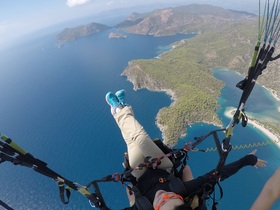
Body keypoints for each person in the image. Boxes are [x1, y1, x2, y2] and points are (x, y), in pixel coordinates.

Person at [105, 90, 267, 210]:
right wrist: (248, 160)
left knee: (131, 141)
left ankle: (121, 109)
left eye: (161, 203)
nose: (163, 195)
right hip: (162, 167)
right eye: (171, 197)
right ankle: (120, 110)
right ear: (182, 199)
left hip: (140, 174)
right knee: (140, 137)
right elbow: (219, 173)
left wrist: (131, 202)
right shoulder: (185, 190)